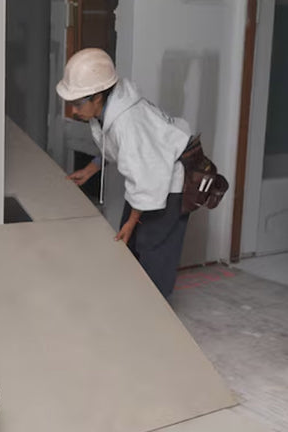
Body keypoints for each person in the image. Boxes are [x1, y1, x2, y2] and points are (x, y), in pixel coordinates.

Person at [56, 48, 192, 299]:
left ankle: (154, 311)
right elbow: (117, 148)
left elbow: (147, 175)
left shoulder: (128, 122)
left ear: (97, 96)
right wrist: (91, 169)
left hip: (168, 181)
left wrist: (132, 220)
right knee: (130, 242)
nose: (73, 111)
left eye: (77, 103)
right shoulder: (107, 108)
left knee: (154, 250)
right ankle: (132, 302)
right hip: (150, 176)